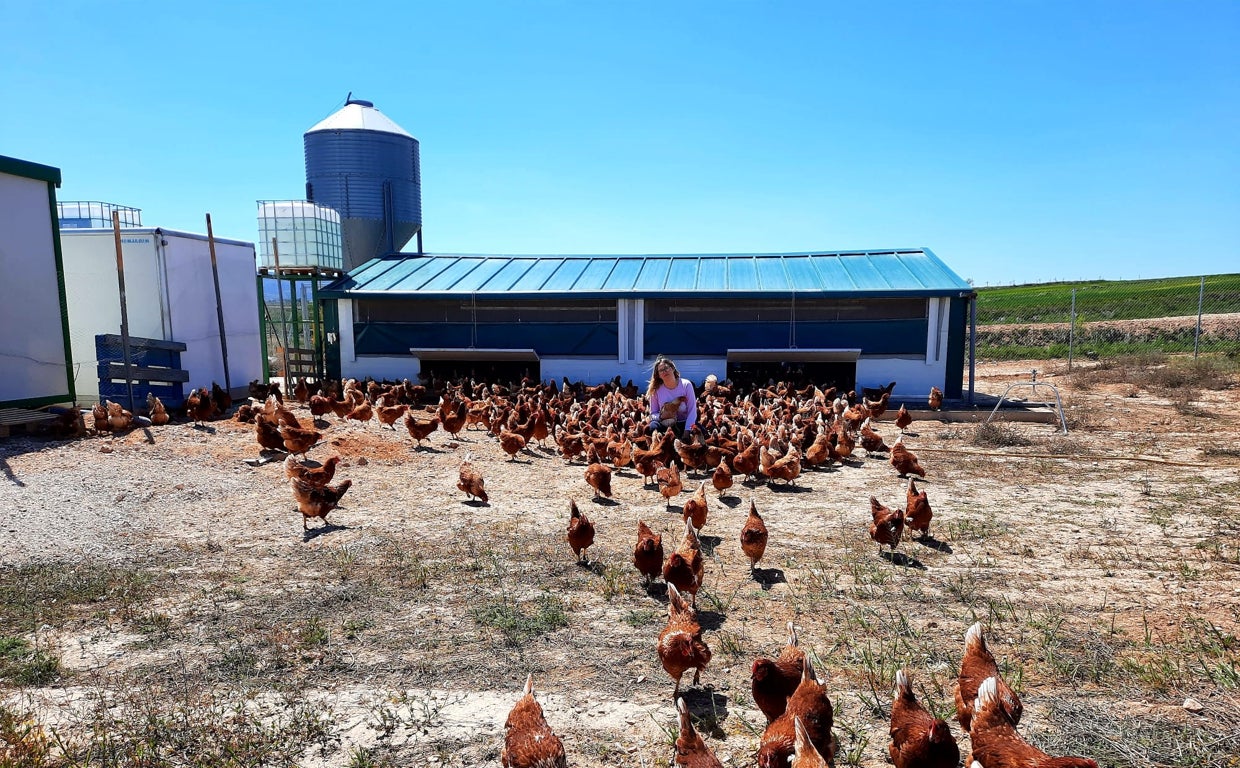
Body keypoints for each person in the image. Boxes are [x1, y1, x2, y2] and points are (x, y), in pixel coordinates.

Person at [646, 356, 697, 438]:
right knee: (653, 426)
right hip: (666, 423)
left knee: (700, 434)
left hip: (684, 422)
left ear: (673, 368)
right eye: (661, 370)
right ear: (658, 375)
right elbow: (653, 414)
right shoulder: (656, 390)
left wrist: (687, 430)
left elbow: (692, 410)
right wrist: (661, 416)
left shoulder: (686, 385)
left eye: (666, 368)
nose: (664, 371)